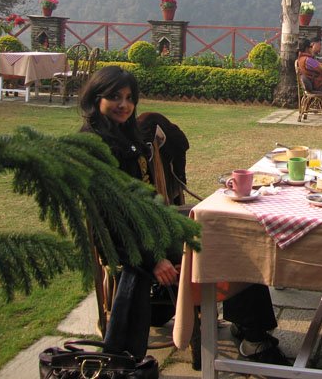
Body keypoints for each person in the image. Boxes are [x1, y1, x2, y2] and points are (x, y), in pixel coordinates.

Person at [79, 66, 288, 365]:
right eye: (114, 97)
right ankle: (254, 336)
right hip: (137, 244)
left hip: (157, 225)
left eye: (129, 98)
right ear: (95, 98)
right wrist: (154, 259)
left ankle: (247, 325)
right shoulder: (94, 146)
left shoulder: (124, 135)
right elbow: (110, 223)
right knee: (234, 244)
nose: (124, 105)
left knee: (233, 225)